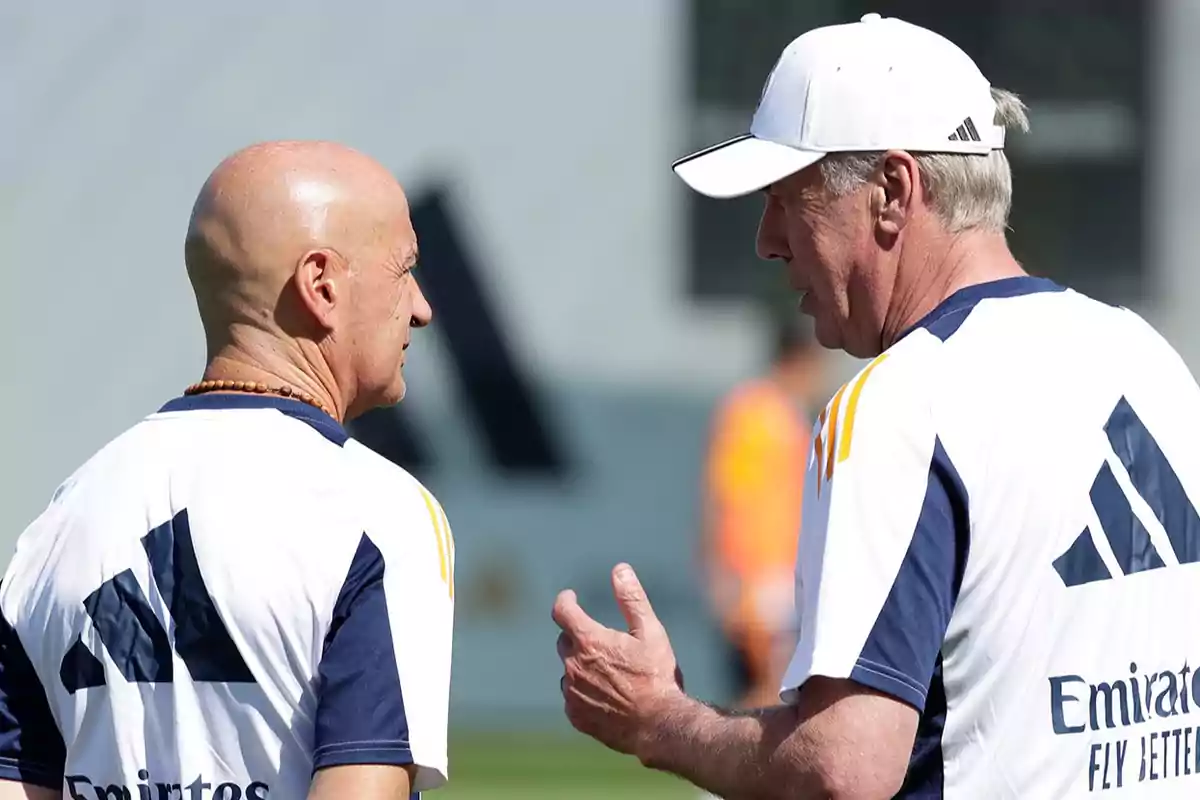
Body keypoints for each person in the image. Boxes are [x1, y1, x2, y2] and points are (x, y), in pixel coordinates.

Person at [553, 13, 1200, 798]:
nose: (766, 239)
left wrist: (659, 719)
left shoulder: (899, 402)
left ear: (893, 192)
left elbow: (843, 767)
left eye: (787, 199)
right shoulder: (1146, 357)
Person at [0, 141, 454, 800]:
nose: (421, 306)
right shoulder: (380, 513)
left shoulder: (60, 524)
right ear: (321, 284)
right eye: (402, 270)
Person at [700, 318, 823, 711]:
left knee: (778, 693)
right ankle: (708, 750)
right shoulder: (755, 413)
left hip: (782, 573)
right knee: (772, 694)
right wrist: (720, 569)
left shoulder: (790, 416)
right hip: (760, 575)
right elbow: (723, 494)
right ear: (798, 360)